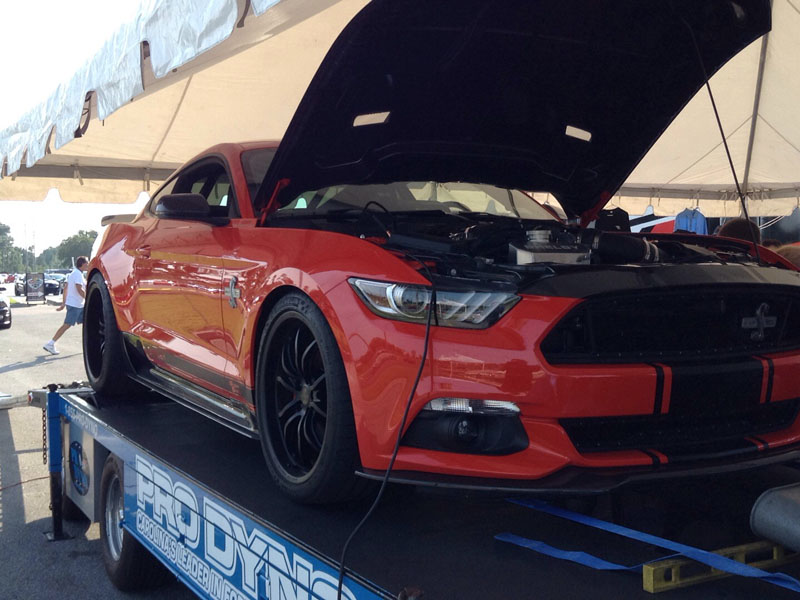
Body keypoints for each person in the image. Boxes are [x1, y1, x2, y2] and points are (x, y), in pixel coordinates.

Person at [43, 256, 88, 355]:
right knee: (67, 325)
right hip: (75, 305)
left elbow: (66, 288)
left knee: (88, 322)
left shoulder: (74, 274)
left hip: (78, 305)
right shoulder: (77, 274)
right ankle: (51, 343)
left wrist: (63, 303)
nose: (88, 265)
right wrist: (87, 298)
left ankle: (90, 344)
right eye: (87, 263)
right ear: (82, 264)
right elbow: (79, 289)